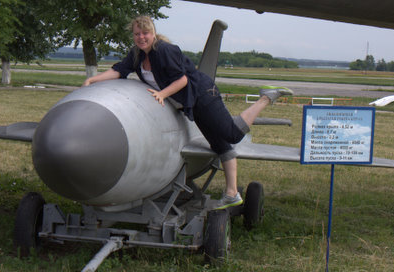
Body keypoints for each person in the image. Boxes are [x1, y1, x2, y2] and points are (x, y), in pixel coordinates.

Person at [83, 16, 292, 209]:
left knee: (233, 134)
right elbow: (119, 69)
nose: (141, 37)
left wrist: (163, 95)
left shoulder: (165, 50)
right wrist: (94, 79)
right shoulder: (137, 54)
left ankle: (266, 97)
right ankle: (231, 194)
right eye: (137, 34)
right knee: (219, 145)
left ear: (153, 33)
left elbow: (182, 80)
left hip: (202, 94)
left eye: (145, 33)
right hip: (189, 101)